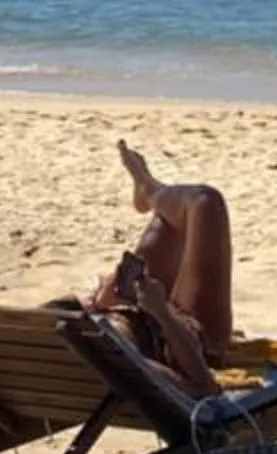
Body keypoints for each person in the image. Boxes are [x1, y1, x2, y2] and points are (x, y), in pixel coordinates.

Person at [85, 140, 235, 400]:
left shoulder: (58, 338)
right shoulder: (114, 358)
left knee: (172, 217)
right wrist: (162, 312)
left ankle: (149, 189)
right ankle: (151, 189)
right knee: (204, 201)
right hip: (187, 331)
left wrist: (98, 301)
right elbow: (203, 386)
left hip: (129, 308)